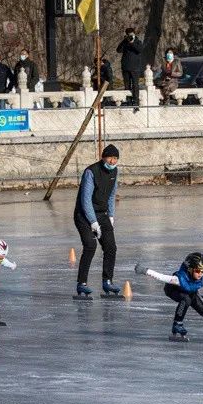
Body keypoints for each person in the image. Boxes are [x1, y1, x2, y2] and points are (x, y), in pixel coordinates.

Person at [134, 253, 203, 341]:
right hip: (173, 290)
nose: (200, 273)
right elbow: (160, 277)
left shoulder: (202, 278)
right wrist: (144, 270)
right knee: (186, 299)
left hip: (189, 291)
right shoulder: (178, 279)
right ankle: (177, 324)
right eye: (197, 270)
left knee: (202, 308)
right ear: (190, 269)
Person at [74, 144, 121, 297]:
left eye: (115, 158)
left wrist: (111, 216)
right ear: (103, 157)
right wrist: (93, 222)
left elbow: (112, 195)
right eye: (110, 158)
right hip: (83, 215)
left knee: (111, 247)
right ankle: (82, 283)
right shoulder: (91, 172)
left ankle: (107, 282)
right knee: (90, 245)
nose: (113, 161)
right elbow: (85, 200)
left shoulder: (115, 172)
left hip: (102, 214)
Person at [116, 27, 143, 109]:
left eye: (131, 34)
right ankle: (128, 100)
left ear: (134, 34)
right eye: (128, 34)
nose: (130, 36)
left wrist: (132, 42)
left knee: (135, 85)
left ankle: (136, 101)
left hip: (135, 67)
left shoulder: (138, 41)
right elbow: (118, 50)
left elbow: (139, 50)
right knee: (127, 85)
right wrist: (124, 41)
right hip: (125, 67)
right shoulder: (125, 42)